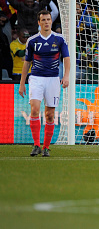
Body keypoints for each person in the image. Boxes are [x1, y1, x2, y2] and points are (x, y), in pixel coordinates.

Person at [18, 10, 70, 157]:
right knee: (34, 109)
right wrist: (22, 84)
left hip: (53, 79)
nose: (46, 22)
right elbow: (27, 62)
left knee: (50, 115)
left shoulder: (59, 39)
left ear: (51, 21)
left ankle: (46, 147)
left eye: (48, 19)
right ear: (39, 22)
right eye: (43, 20)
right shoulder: (33, 40)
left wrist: (66, 76)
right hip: (36, 78)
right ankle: (36, 145)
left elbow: (66, 58)